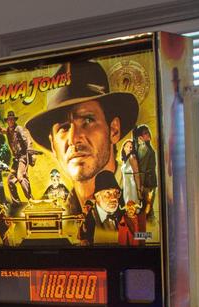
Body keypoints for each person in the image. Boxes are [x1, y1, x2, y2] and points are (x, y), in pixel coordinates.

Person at [25, 60, 138, 217]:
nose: (73, 139)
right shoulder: (65, 215)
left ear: (113, 130)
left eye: (87, 120)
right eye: (64, 127)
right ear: (53, 145)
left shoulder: (135, 203)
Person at [0, 110, 36, 202]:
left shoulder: (19, 128)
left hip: (23, 157)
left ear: (14, 120)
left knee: (20, 176)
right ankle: (16, 203)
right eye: (9, 120)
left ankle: (30, 199)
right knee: (10, 181)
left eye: (12, 120)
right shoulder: (8, 130)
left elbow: (27, 139)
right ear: (7, 121)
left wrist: (30, 152)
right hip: (16, 159)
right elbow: (1, 130)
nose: (10, 121)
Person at [78, 171, 122, 245]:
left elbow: (140, 236)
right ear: (97, 196)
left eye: (116, 193)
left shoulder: (123, 216)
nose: (114, 198)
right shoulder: (86, 220)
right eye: (108, 193)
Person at [133, 124, 158, 220]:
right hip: (147, 183)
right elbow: (142, 169)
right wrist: (141, 185)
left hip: (150, 182)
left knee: (148, 207)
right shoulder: (144, 148)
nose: (149, 134)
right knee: (147, 208)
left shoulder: (147, 146)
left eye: (148, 132)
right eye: (145, 133)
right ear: (140, 137)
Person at [119, 139, 141, 207]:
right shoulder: (124, 160)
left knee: (133, 207)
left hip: (132, 187)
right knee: (128, 207)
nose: (129, 148)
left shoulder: (132, 157)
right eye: (128, 146)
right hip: (126, 187)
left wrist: (139, 190)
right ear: (124, 147)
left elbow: (137, 175)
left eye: (131, 147)